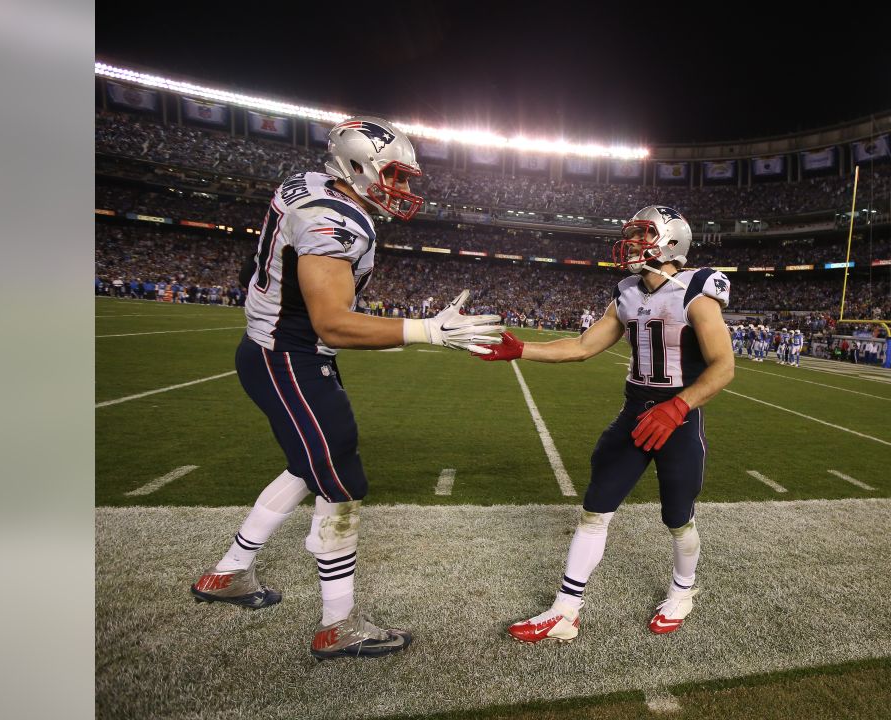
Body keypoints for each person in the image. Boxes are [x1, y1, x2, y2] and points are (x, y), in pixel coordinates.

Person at [189, 116, 503, 660]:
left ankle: (228, 574)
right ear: (355, 166)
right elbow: (331, 323)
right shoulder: (336, 221)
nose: (402, 190)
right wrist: (428, 331)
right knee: (342, 481)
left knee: (307, 465)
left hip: (272, 349)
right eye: (395, 176)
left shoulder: (306, 184)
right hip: (291, 358)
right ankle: (338, 626)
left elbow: (256, 264)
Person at [476, 205, 734, 643]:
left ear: (670, 241)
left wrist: (678, 407)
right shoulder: (629, 292)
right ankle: (565, 610)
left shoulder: (697, 290)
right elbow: (582, 345)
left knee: (677, 517)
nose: (632, 243)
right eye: (632, 235)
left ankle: (683, 591)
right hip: (635, 413)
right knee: (595, 510)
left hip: (677, 420)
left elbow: (723, 367)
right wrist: (523, 350)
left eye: (642, 235)